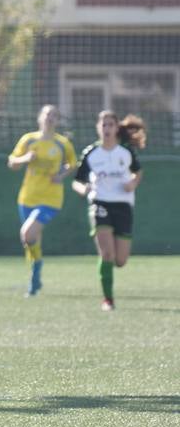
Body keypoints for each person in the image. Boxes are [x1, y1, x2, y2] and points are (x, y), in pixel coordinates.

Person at [72, 111, 145, 312]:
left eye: (110, 125)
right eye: (103, 125)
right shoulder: (91, 153)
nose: (107, 129)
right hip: (99, 203)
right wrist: (83, 189)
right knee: (107, 254)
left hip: (123, 205)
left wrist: (133, 183)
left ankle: (109, 271)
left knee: (120, 261)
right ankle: (108, 299)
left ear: (116, 128)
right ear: (98, 128)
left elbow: (138, 172)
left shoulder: (125, 152)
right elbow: (77, 181)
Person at [7, 105, 77, 297]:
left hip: (51, 198)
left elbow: (73, 163)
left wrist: (61, 175)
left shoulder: (62, 143)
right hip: (27, 197)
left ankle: (37, 269)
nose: (50, 118)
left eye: (55, 115)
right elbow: (12, 162)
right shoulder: (28, 140)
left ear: (58, 121)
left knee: (27, 233)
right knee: (30, 240)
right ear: (39, 117)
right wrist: (26, 159)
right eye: (47, 114)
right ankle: (35, 278)